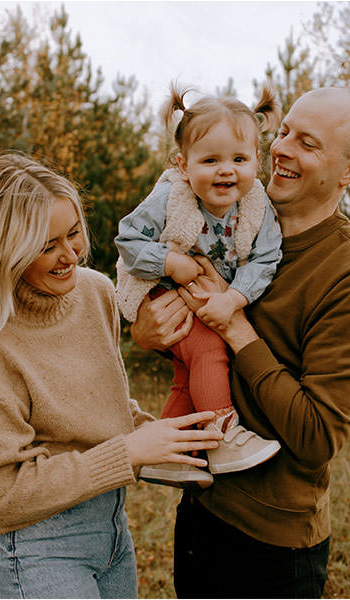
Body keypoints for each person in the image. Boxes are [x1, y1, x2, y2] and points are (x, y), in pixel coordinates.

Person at [131, 87, 350, 598]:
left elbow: (318, 437)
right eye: (285, 132)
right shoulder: (235, 218)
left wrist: (238, 326)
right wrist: (147, 331)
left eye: (310, 144)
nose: (283, 149)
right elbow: (185, 324)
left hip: (271, 546)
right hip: (201, 509)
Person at [0, 152, 222, 599]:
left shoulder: (96, 292)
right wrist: (129, 452)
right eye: (45, 244)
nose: (69, 255)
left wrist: (169, 437)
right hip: (34, 546)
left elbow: (105, 408)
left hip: (111, 533)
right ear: (3, 248)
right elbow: (1, 491)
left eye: (73, 234)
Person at [114, 84, 283, 489]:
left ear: (257, 162)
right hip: (158, 288)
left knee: (188, 373)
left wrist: (234, 299)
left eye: (239, 159)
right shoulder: (172, 196)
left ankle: (171, 454)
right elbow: (128, 238)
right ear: (184, 165)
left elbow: (266, 258)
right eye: (210, 160)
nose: (226, 170)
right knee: (208, 349)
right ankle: (222, 435)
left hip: (211, 299)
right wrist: (173, 262)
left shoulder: (258, 207)